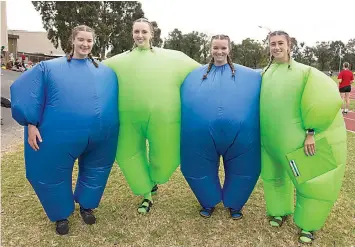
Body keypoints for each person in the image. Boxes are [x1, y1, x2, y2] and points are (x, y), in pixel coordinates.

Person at [10, 25, 119, 235]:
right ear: (73, 41)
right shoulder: (49, 68)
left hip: (101, 136)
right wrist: (30, 123)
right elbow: (27, 90)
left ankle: (86, 206)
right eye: (81, 40)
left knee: (96, 169)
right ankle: (60, 216)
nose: (85, 44)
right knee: (51, 172)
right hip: (58, 135)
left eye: (89, 40)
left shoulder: (105, 72)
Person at [103, 17, 200, 214]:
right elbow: (89, 71)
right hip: (128, 121)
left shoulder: (174, 58)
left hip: (164, 119)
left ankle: (155, 179)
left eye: (144, 32)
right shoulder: (116, 62)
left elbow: (204, 72)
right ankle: (146, 194)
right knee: (127, 155)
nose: (140, 35)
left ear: (151, 34)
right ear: (132, 33)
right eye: (136, 31)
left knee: (166, 158)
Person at [260, 30, 347, 244]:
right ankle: (279, 211)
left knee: (311, 183)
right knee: (274, 178)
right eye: (273, 44)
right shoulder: (265, 73)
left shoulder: (306, 72)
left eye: (281, 43)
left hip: (298, 141)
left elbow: (324, 99)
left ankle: (308, 225)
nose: (276, 47)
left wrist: (311, 132)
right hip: (270, 142)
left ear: (290, 45)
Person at [180, 34, 261, 219]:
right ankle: (208, 202)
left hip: (241, 137)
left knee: (244, 168)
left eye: (223, 48)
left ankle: (235, 204)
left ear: (229, 49)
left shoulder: (250, 76)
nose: (219, 51)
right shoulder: (194, 76)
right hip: (201, 138)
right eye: (216, 47)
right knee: (197, 166)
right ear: (210, 49)